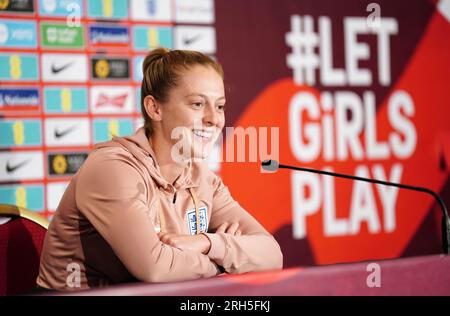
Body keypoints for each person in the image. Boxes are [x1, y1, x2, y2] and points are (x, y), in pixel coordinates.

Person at [36, 48, 283, 291]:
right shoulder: (112, 168)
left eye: (219, 106)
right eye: (197, 104)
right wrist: (227, 262)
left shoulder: (201, 178)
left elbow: (272, 255)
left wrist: (208, 242)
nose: (213, 119)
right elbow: (156, 269)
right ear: (155, 109)